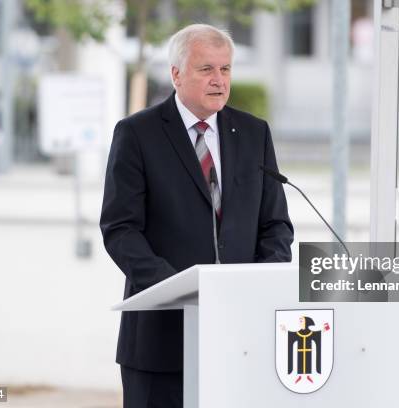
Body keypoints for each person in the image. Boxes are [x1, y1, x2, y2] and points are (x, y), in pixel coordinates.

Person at [100, 23, 293, 408]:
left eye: (226, 70)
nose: (219, 80)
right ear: (176, 74)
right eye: (207, 69)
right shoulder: (138, 134)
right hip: (161, 342)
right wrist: (177, 290)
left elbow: (276, 226)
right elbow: (120, 228)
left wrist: (255, 285)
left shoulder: (254, 133)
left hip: (240, 340)